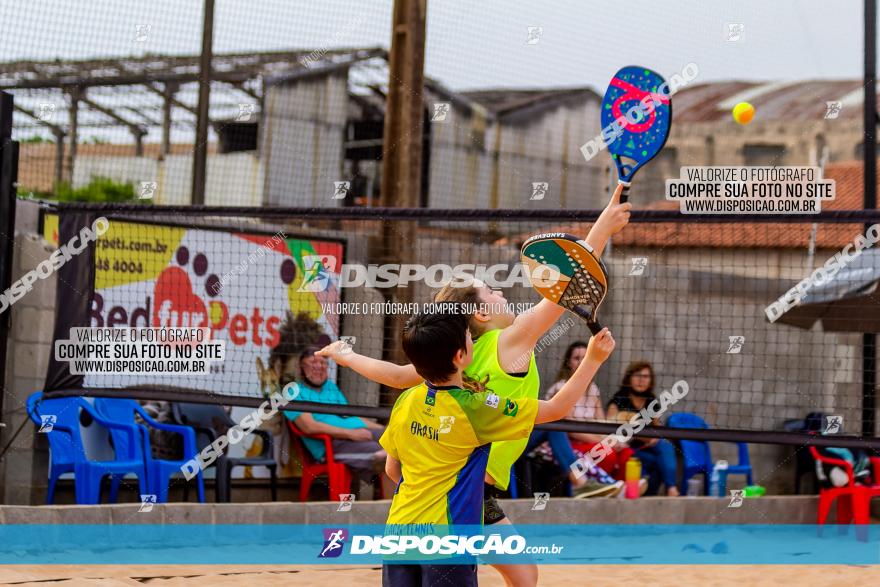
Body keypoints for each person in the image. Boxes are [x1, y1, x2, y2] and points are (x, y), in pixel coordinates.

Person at [320, 183, 630, 587]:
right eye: (492, 292)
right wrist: (601, 229)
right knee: (521, 575)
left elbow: (397, 376)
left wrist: (346, 356)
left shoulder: (453, 362)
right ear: (481, 315)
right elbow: (564, 287)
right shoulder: (510, 339)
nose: (501, 293)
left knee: (518, 573)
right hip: (465, 488)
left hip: (427, 497)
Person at [380, 310, 616, 586]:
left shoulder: (406, 400)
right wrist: (593, 359)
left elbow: (392, 468)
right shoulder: (478, 407)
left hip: (398, 532)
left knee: (524, 574)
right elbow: (556, 408)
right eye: (469, 337)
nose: (473, 340)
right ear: (460, 356)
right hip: (448, 538)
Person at [283, 346, 387, 483]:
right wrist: (350, 434)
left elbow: (349, 416)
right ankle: (389, 503)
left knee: (399, 441)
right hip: (332, 445)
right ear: (300, 369)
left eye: (323, 364)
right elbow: (309, 427)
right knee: (388, 457)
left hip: (358, 433)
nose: (319, 367)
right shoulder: (293, 392)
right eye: (312, 364)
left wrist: (381, 429)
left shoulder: (331, 387)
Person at [606, 362, 680, 496]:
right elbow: (609, 429)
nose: (641, 380)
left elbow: (659, 429)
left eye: (646, 376)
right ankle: (647, 495)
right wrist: (645, 436)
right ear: (629, 378)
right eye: (637, 375)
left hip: (647, 446)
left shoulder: (651, 400)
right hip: (627, 448)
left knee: (665, 445)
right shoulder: (619, 399)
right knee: (654, 462)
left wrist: (655, 437)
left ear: (650, 381)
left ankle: (671, 488)